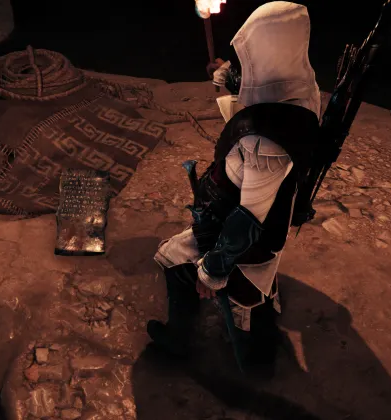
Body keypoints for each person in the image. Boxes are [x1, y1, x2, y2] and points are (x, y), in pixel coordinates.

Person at [148, 1, 322, 375]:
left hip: (245, 236)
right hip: (274, 219)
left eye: (250, 58)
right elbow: (254, 99)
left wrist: (212, 272)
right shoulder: (304, 94)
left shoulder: (264, 144)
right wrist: (225, 75)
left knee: (169, 257)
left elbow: (247, 219)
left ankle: (178, 340)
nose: (244, 66)